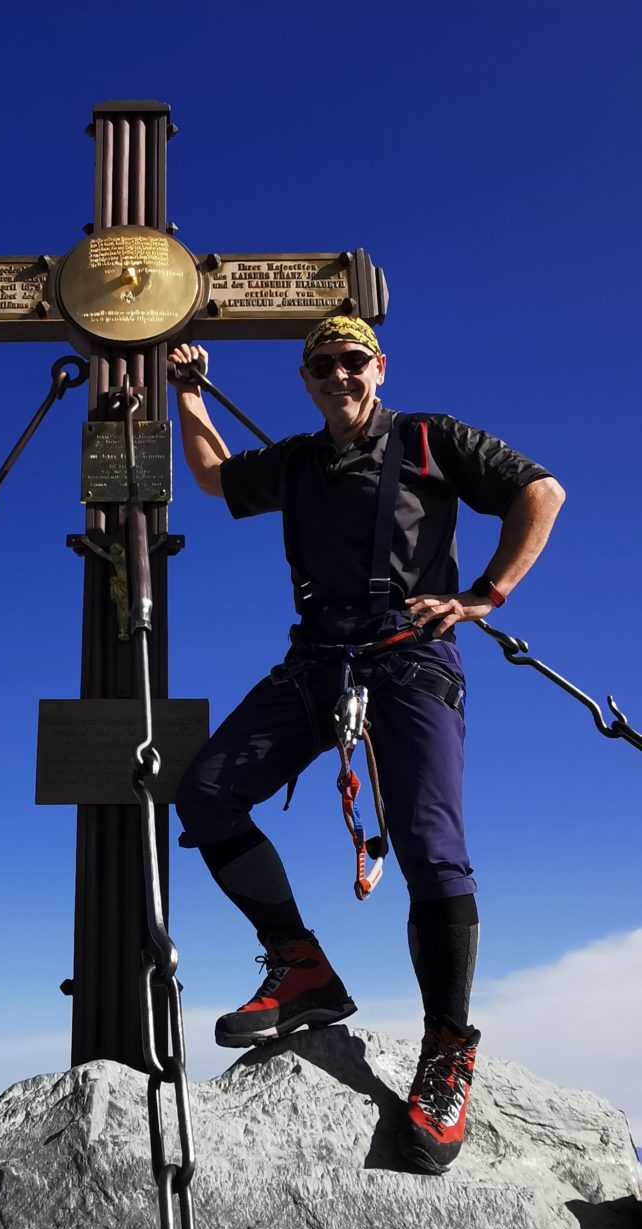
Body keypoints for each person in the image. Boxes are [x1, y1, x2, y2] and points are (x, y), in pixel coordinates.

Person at [168, 317, 565, 1173]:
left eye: (354, 362)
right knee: (203, 791)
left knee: (430, 847)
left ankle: (449, 1049)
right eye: (323, 366)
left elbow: (541, 490)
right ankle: (300, 965)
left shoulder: (430, 439)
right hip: (317, 660)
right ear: (307, 378)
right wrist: (189, 390)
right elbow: (212, 476)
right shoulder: (300, 462)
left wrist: (485, 595)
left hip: (411, 656)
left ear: (378, 369)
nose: (340, 376)